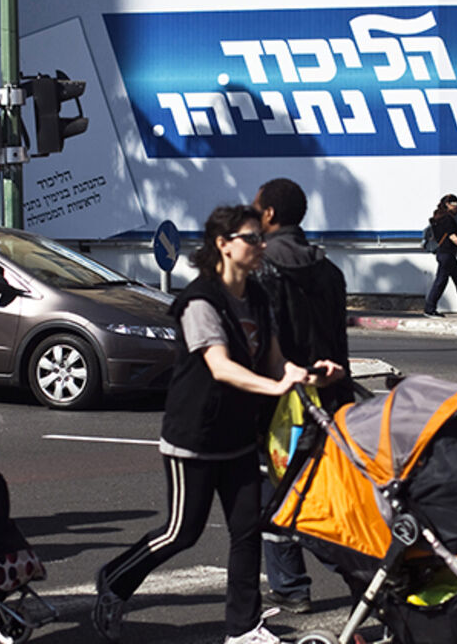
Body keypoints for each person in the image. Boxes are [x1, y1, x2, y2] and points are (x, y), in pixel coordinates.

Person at [93, 204, 343, 644]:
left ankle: (243, 629)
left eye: (260, 238)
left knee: (247, 530)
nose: (261, 246)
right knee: (181, 533)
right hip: (195, 436)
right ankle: (114, 579)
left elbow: (275, 358)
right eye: (252, 239)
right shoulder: (199, 301)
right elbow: (221, 367)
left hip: (239, 436)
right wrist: (274, 388)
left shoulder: (259, 298)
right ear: (223, 245)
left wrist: (304, 374)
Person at [252, 178, 353, 614]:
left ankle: (294, 584)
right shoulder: (329, 270)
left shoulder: (261, 267)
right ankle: (357, 569)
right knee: (318, 487)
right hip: (327, 395)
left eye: (256, 208)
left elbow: (262, 340)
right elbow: (338, 341)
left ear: (269, 214)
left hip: (279, 397)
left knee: (272, 492)